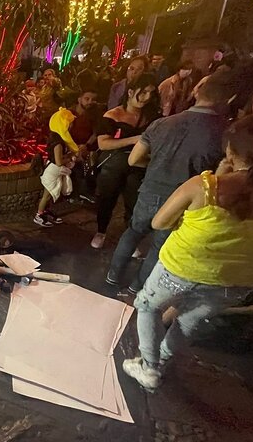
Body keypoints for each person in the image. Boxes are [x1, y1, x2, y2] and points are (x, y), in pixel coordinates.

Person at [122, 113, 253, 390]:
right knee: (187, 322)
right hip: (235, 281)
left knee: (148, 307)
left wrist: (218, 177)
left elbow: (159, 222)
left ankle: (149, 367)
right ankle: (162, 361)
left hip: (181, 267)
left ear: (231, 151)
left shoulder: (204, 186)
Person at [106, 72, 235, 292]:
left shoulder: (163, 123)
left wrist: (156, 163)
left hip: (150, 190)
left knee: (133, 232)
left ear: (197, 92)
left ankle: (112, 277)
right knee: (160, 245)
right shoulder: (224, 133)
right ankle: (136, 288)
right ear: (227, 99)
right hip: (184, 200)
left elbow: (133, 159)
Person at [91, 73, 160, 249]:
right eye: (143, 92)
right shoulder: (113, 115)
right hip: (114, 164)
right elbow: (103, 143)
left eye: (151, 93)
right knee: (107, 199)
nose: (146, 98)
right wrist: (134, 140)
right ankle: (101, 231)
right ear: (130, 92)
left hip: (139, 165)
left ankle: (129, 238)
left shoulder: (152, 117)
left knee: (133, 202)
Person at [34, 111, 75, 227]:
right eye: (70, 123)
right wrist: (69, 158)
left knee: (51, 195)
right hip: (52, 172)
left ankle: (45, 212)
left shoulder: (56, 139)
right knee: (47, 195)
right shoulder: (58, 143)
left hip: (54, 171)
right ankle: (39, 215)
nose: (72, 126)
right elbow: (58, 162)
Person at [68, 89, 100, 202]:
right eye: (87, 99)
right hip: (70, 146)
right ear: (79, 99)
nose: (90, 102)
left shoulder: (95, 114)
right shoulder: (69, 113)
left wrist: (86, 145)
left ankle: (85, 192)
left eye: (93, 99)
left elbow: (96, 133)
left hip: (87, 147)